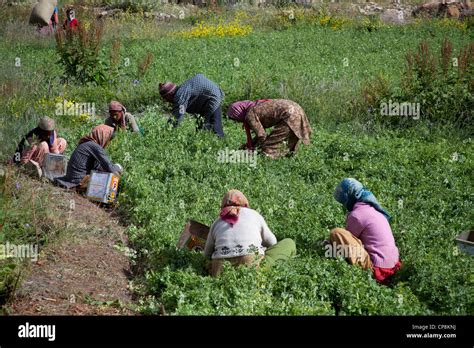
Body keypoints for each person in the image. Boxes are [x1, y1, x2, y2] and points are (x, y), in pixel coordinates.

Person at [204, 189, 296, 277]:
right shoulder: (254, 215)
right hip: (251, 270)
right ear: (246, 204)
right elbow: (272, 242)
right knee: (289, 243)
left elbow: (207, 253)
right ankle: (260, 272)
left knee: (212, 262)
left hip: (222, 271)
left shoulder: (217, 222)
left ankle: (217, 273)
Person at [328, 178, 401, 284]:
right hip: (393, 265)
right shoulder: (373, 210)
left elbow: (349, 241)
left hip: (377, 268)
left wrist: (329, 245)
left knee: (336, 233)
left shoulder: (357, 214)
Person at [227, 99, 312, 159]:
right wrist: (248, 146)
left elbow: (261, 135)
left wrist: (253, 151)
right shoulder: (256, 106)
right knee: (291, 142)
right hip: (297, 109)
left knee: (269, 148)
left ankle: (268, 162)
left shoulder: (250, 114)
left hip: (289, 115)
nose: (237, 121)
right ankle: (290, 159)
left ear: (238, 113)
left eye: (235, 118)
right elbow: (260, 135)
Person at [55, 125, 122, 191]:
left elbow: (98, 166)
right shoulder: (95, 146)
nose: (108, 143)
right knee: (115, 173)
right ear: (104, 137)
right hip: (78, 181)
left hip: (71, 178)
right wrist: (119, 167)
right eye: (109, 140)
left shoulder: (88, 143)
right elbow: (110, 167)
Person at [159, 74, 225, 137]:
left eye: (165, 98)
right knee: (205, 125)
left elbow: (178, 115)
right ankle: (218, 140)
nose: (166, 100)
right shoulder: (183, 90)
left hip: (211, 97)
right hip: (213, 93)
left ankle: (218, 142)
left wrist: (167, 131)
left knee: (211, 127)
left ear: (169, 94)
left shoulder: (180, 95)